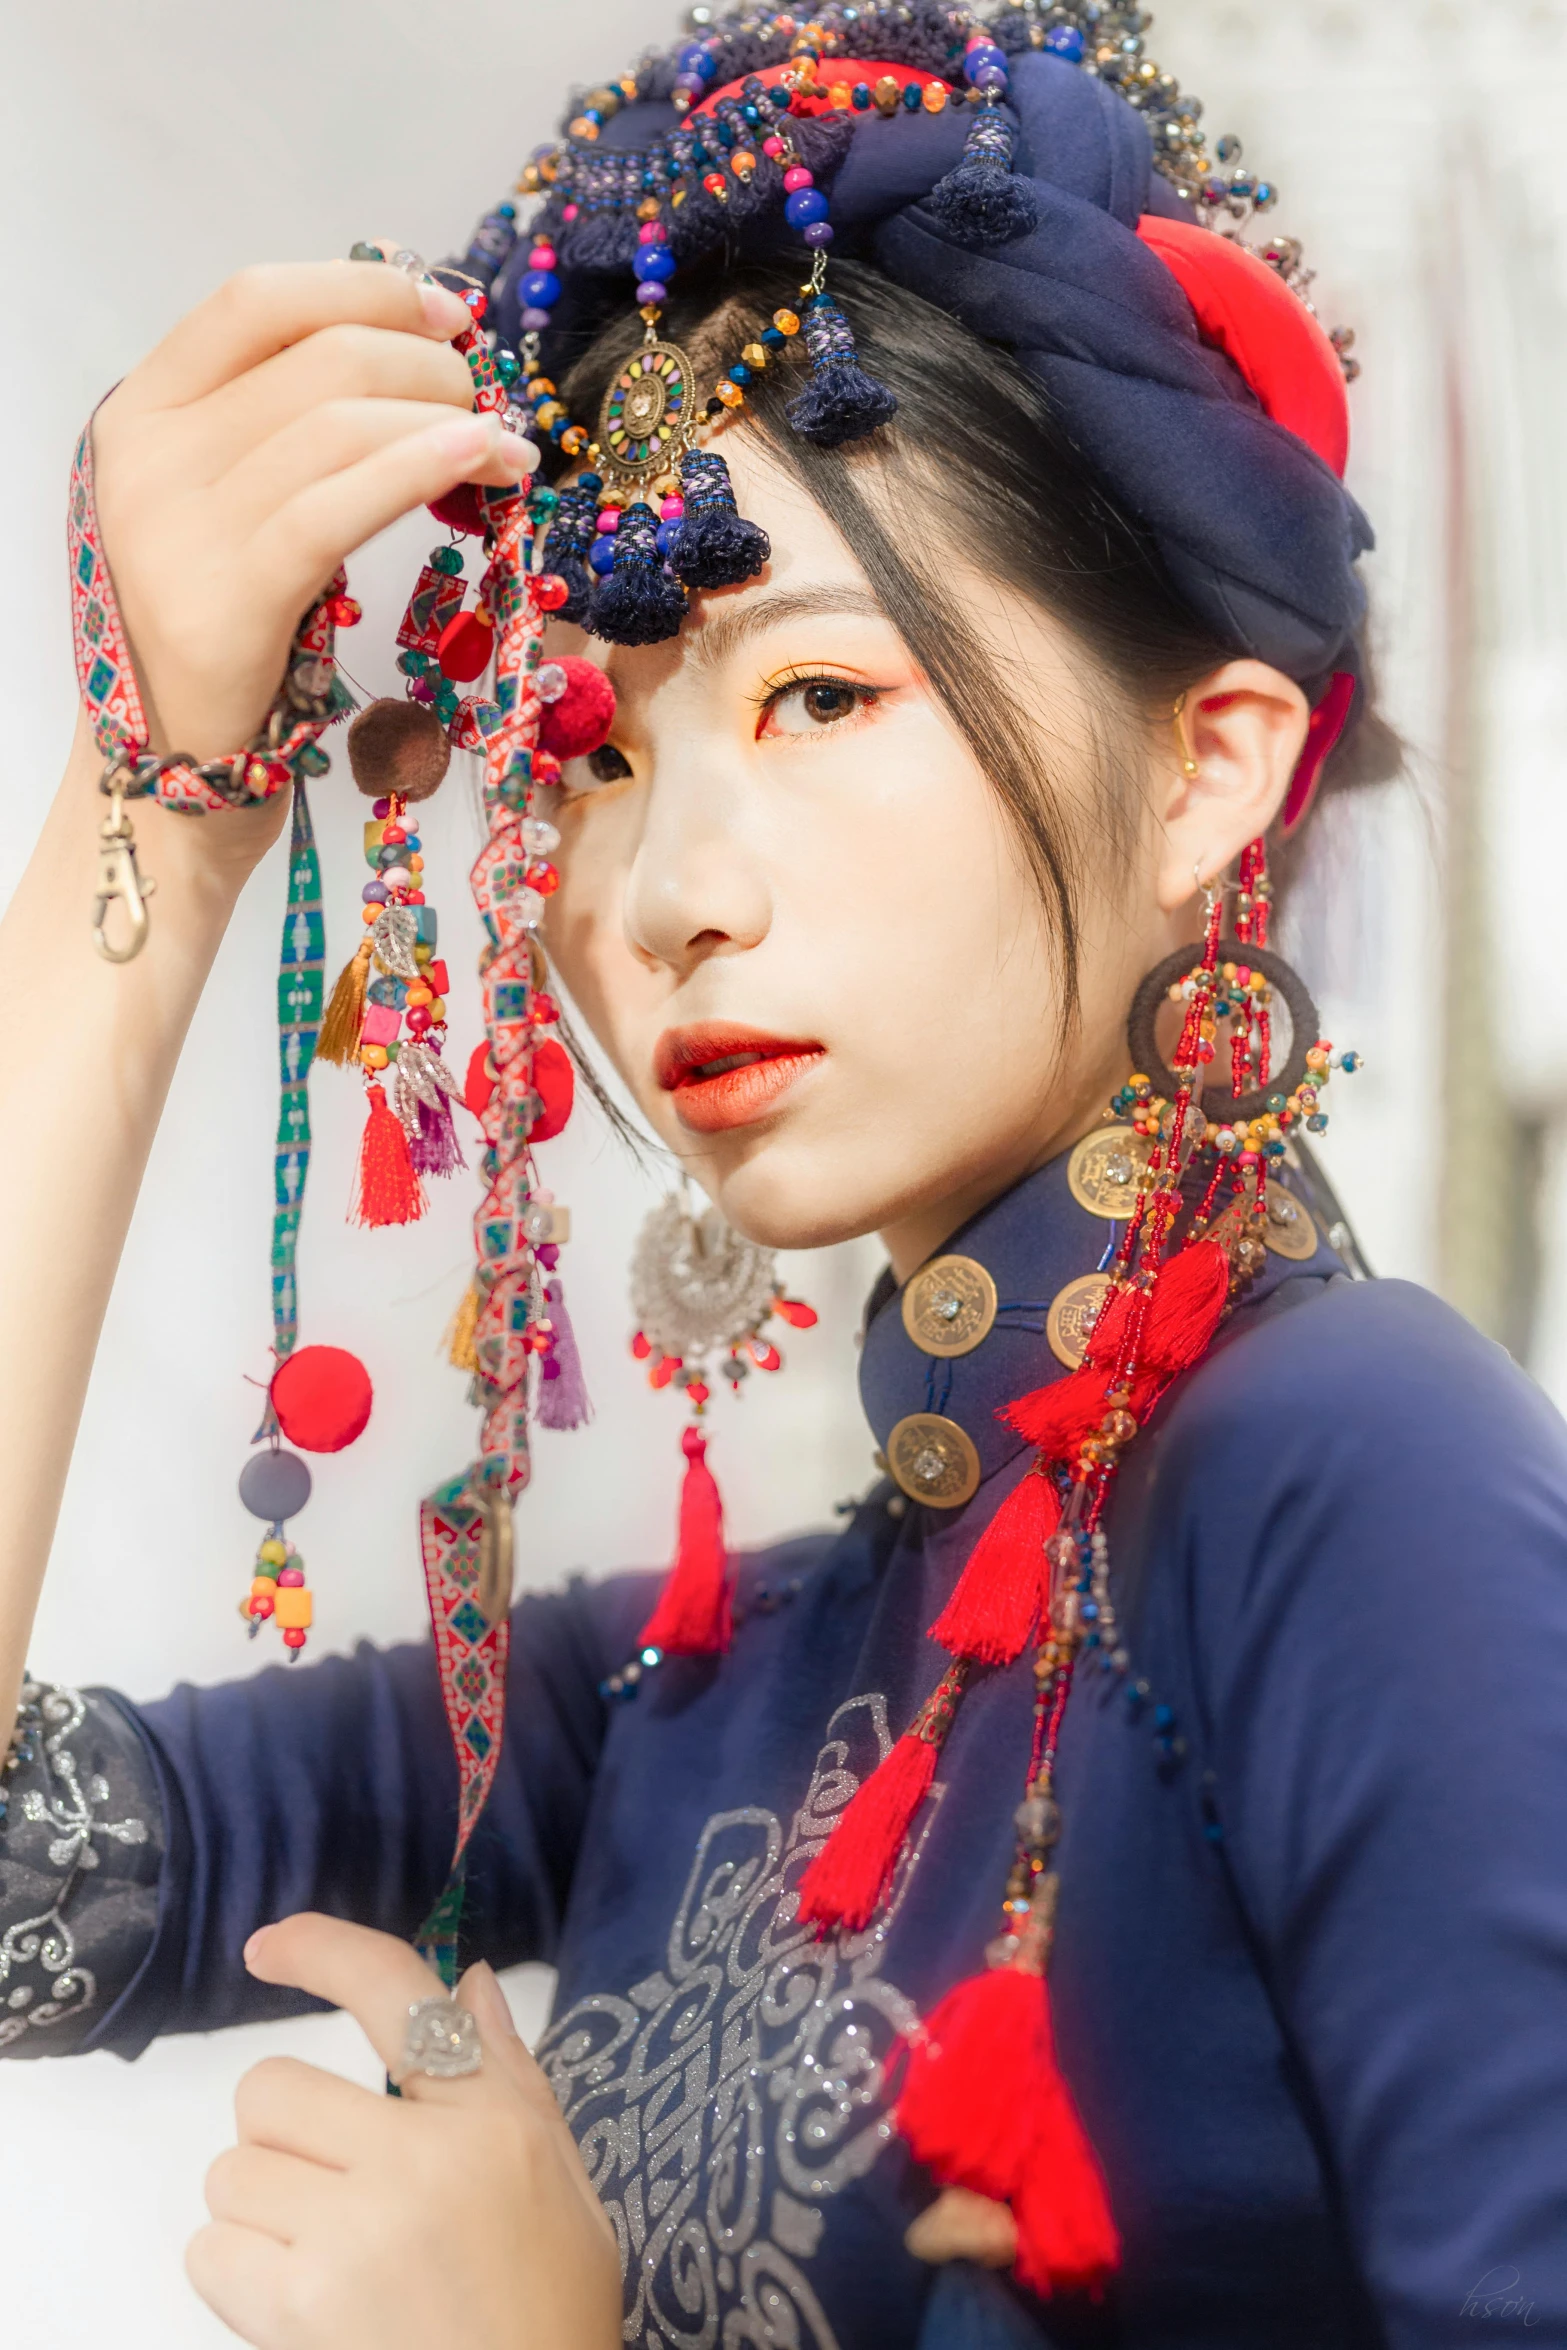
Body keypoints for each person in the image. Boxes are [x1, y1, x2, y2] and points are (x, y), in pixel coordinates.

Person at [4, 6, 1567, 2348]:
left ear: (1213, 766)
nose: (662, 896)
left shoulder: (1355, 1476)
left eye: (817, 697)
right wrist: (158, 822)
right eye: (590, 754)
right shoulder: (687, 1675)